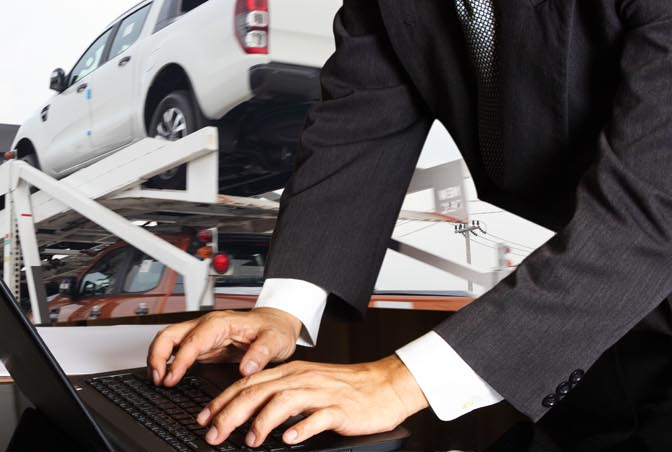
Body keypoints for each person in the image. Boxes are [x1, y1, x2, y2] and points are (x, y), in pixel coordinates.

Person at [148, 0, 672, 450]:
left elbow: (652, 216)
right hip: (588, 315)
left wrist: (397, 384)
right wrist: (283, 312)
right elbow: (359, 123)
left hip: (631, 255)